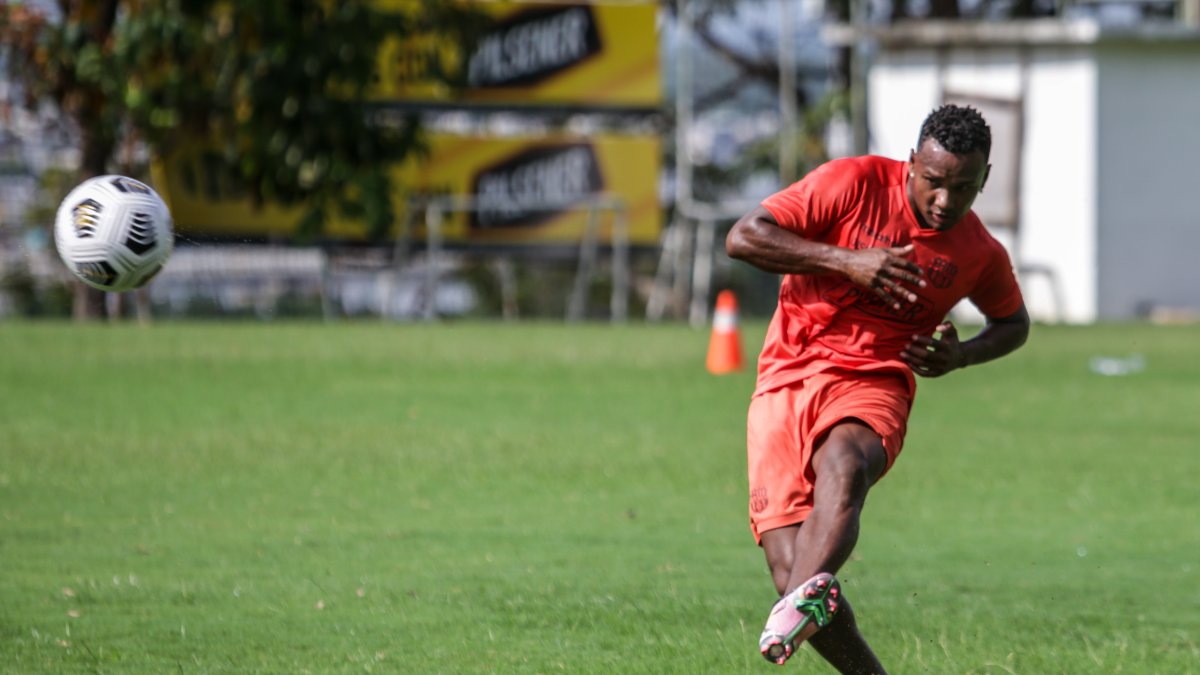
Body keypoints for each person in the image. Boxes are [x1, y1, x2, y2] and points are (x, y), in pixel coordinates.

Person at [725, 104, 1030, 672]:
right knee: (791, 574)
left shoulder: (980, 254)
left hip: (875, 379)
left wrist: (960, 355)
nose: (945, 200)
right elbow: (744, 238)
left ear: (984, 179)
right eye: (934, 182)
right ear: (912, 163)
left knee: (847, 463)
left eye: (963, 188)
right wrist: (845, 261)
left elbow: (1014, 324)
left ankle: (803, 598)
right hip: (787, 375)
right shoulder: (852, 182)